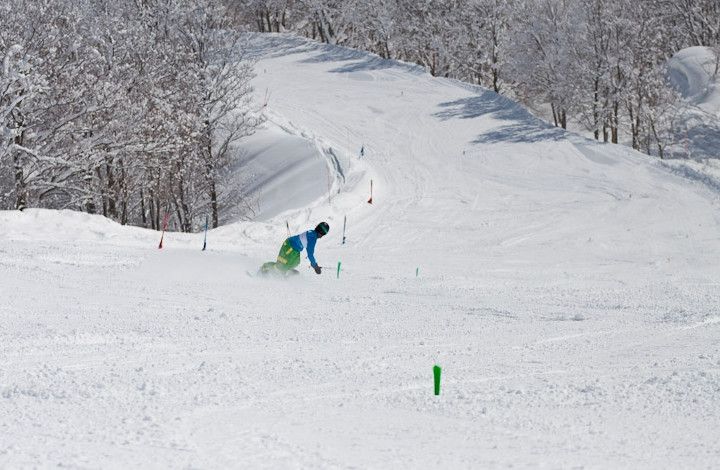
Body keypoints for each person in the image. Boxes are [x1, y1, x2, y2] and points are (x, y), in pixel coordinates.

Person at [262, 222, 329, 276]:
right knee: (282, 264)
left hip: (295, 249)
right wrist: (315, 266)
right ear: (321, 233)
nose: (321, 237)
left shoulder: (311, 232)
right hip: (289, 247)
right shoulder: (312, 238)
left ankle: (285, 270)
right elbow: (310, 254)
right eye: (323, 235)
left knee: (296, 262)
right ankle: (266, 268)